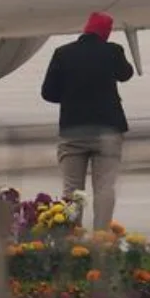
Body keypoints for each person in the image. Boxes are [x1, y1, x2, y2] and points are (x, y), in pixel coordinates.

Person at [40, 12, 135, 230]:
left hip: (73, 130)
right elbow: (126, 74)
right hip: (108, 130)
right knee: (104, 188)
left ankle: (72, 233)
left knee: (72, 190)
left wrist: (69, 98)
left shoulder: (62, 54)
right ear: (106, 33)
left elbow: (48, 93)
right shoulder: (112, 51)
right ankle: (101, 236)